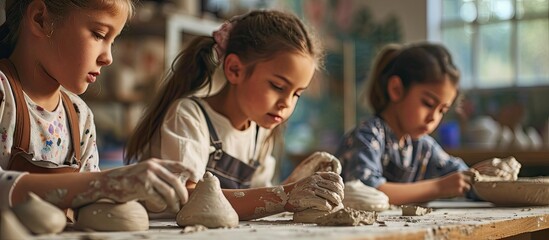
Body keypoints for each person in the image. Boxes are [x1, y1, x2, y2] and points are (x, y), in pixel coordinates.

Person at [125, 10, 344, 220]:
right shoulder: (189, 116)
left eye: (297, 93)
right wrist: (286, 194)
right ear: (234, 70)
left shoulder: (259, 132)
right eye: (278, 86)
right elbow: (189, 199)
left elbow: (259, 199)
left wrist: (297, 184)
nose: (286, 103)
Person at [0, 0, 189, 213]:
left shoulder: (79, 116)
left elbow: (90, 206)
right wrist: (106, 182)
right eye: (99, 35)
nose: (108, 58)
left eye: (113, 41)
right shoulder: (4, 95)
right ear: (40, 19)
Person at [334, 42, 520, 205]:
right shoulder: (368, 136)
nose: (434, 118)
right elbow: (365, 193)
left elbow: (463, 179)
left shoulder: (423, 147)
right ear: (396, 89)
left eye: (442, 110)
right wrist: (439, 187)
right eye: (428, 104)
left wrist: (484, 177)